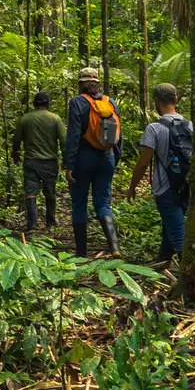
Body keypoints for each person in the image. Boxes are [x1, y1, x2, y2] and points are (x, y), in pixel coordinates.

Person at [125, 83, 193, 263]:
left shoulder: (154, 128)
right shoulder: (189, 125)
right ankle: (163, 259)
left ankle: (188, 274)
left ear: (156, 101)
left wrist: (132, 187)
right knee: (170, 222)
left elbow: (143, 163)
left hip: (165, 187)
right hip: (185, 184)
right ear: (176, 98)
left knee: (178, 230)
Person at [64, 68, 121, 257]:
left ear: (80, 84)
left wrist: (69, 165)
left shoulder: (77, 102)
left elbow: (73, 135)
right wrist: (115, 159)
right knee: (104, 203)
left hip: (84, 158)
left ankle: (81, 253)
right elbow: (119, 136)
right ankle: (114, 248)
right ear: (97, 83)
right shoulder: (110, 102)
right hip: (107, 157)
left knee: (79, 203)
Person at [10, 91, 64, 233]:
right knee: (50, 191)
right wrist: (67, 160)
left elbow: (16, 140)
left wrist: (15, 154)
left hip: (31, 161)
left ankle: (32, 224)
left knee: (31, 192)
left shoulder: (25, 119)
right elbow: (64, 140)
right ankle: (50, 221)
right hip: (50, 162)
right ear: (48, 104)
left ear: (34, 104)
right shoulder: (55, 119)